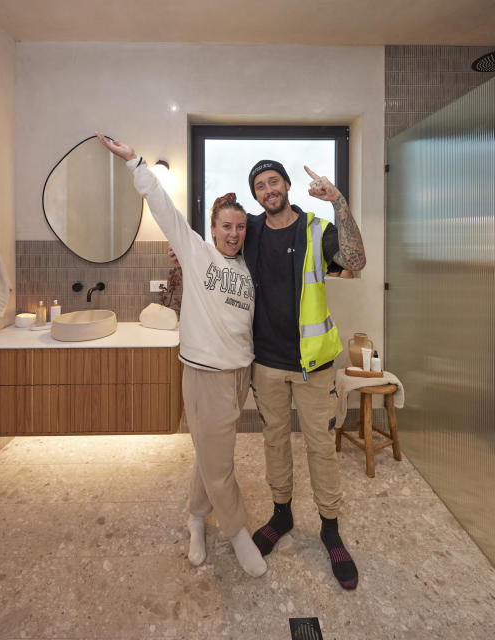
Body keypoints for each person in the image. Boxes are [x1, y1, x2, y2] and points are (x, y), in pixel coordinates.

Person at [96, 133, 266, 578]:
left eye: (239, 227)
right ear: (212, 229)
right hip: (205, 374)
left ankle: (195, 518)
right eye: (226, 226)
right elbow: (164, 210)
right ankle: (236, 531)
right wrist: (136, 164)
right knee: (221, 462)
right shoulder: (196, 253)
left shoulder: (246, 269)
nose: (233, 234)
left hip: (238, 375)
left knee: (211, 456)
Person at [244, 159, 366, 591]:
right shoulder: (251, 231)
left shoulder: (316, 229)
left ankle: (330, 528)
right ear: (256, 195)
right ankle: (282, 514)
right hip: (266, 363)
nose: (268, 190)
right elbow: (217, 256)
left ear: (288, 185)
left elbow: (356, 260)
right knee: (275, 440)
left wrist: (340, 203)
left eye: (273, 181)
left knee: (321, 447)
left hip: (313, 365)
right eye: (260, 186)